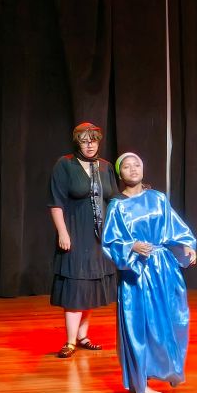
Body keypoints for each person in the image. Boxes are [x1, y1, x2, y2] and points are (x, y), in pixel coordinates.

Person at [101, 152, 197, 393]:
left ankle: (168, 369)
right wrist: (131, 246)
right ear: (120, 174)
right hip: (137, 274)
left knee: (171, 321)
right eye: (127, 166)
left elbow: (174, 227)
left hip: (163, 269)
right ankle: (140, 386)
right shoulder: (117, 206)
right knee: (139, 327)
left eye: (137, 164)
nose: (133, 169)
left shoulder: (157, 198)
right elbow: (110, 241)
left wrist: (187, 245)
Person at [48, 122, 121, 359]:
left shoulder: (105, 166)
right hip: (76, 234)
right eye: (84, 141)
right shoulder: (65, 164)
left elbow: (114, 199)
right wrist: (62, 232)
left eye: (93, 140)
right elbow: (56, 202)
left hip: (100, 237)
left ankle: (83, 336)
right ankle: (70, 341)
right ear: (77, 142)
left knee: (91, 286)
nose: (89, 145)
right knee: (76, 286)